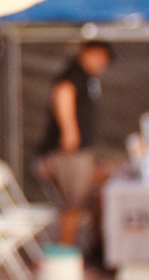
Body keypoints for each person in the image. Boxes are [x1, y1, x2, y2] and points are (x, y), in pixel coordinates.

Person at [38, 40, 115, 247]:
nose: (101, 63)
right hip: (71, 154)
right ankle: (65, 257)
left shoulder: (88, 78)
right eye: (98, 56)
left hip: (81, 152)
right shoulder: (75, 73)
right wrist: (69, 131)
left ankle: (84, 252)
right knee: (73, 206)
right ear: (86, 53)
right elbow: (63, 93)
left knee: (88, 200)